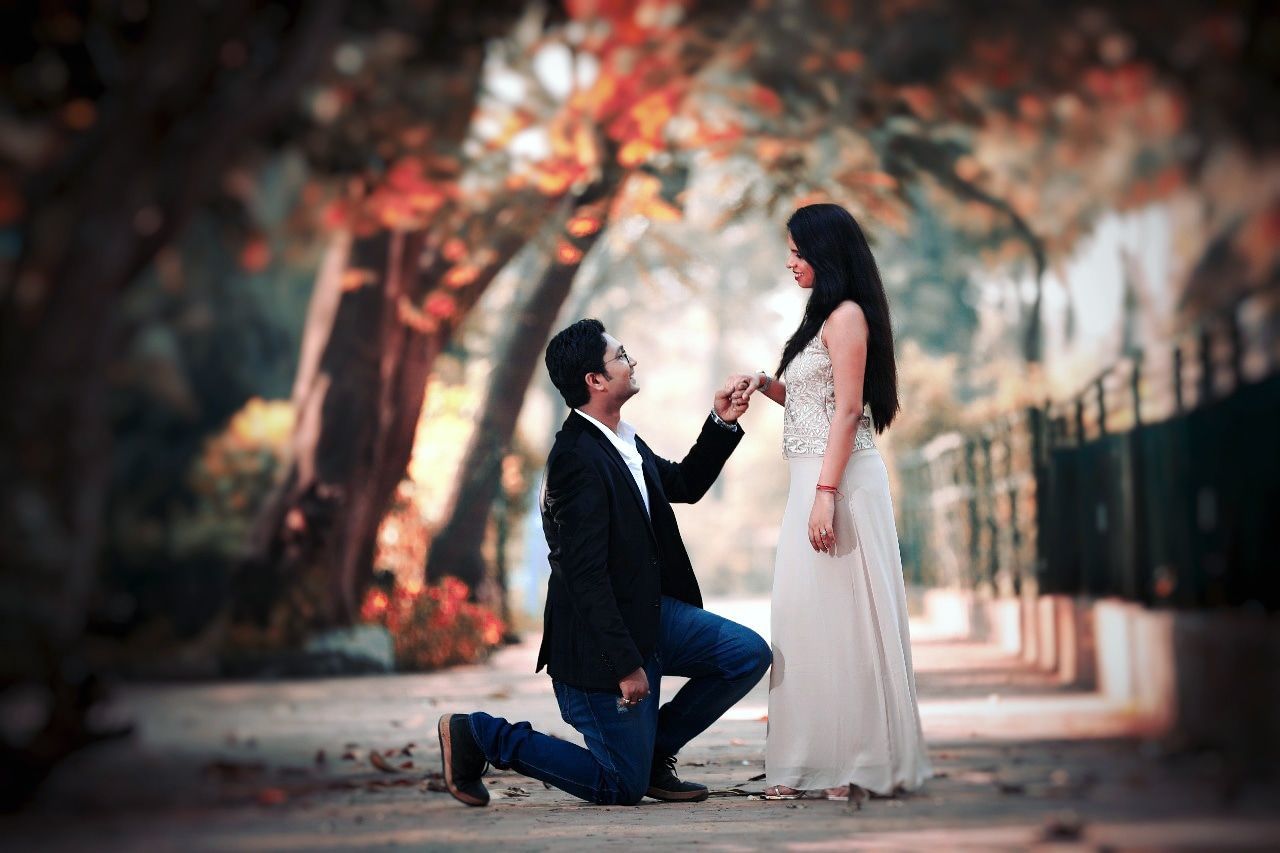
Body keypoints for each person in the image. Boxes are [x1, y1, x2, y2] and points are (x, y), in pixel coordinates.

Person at [439, 319, 772, 807]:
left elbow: (684, 485)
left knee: (746, 654)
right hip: (599, 649)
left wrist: (722, 422)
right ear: (595, 380)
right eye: (621, 357)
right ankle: (482, 736)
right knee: (621, 786)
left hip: (651, 617)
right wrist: (625, 665)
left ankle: (652, 751)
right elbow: (582, 575)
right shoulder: (575, 458)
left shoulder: (622, 441)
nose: (630, 362)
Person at [728, 203, 931, 801]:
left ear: (826, 252)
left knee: (848, 619)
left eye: (798, 251)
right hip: (811, 480)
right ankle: (815, 761)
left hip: (837, 481)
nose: (790, 262)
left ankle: (859, 764)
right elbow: (813, 403)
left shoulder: (846, 316)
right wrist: (767, 386)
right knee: (806, 619)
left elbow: (847, 410)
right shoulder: (821, 317)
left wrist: (825, 494)